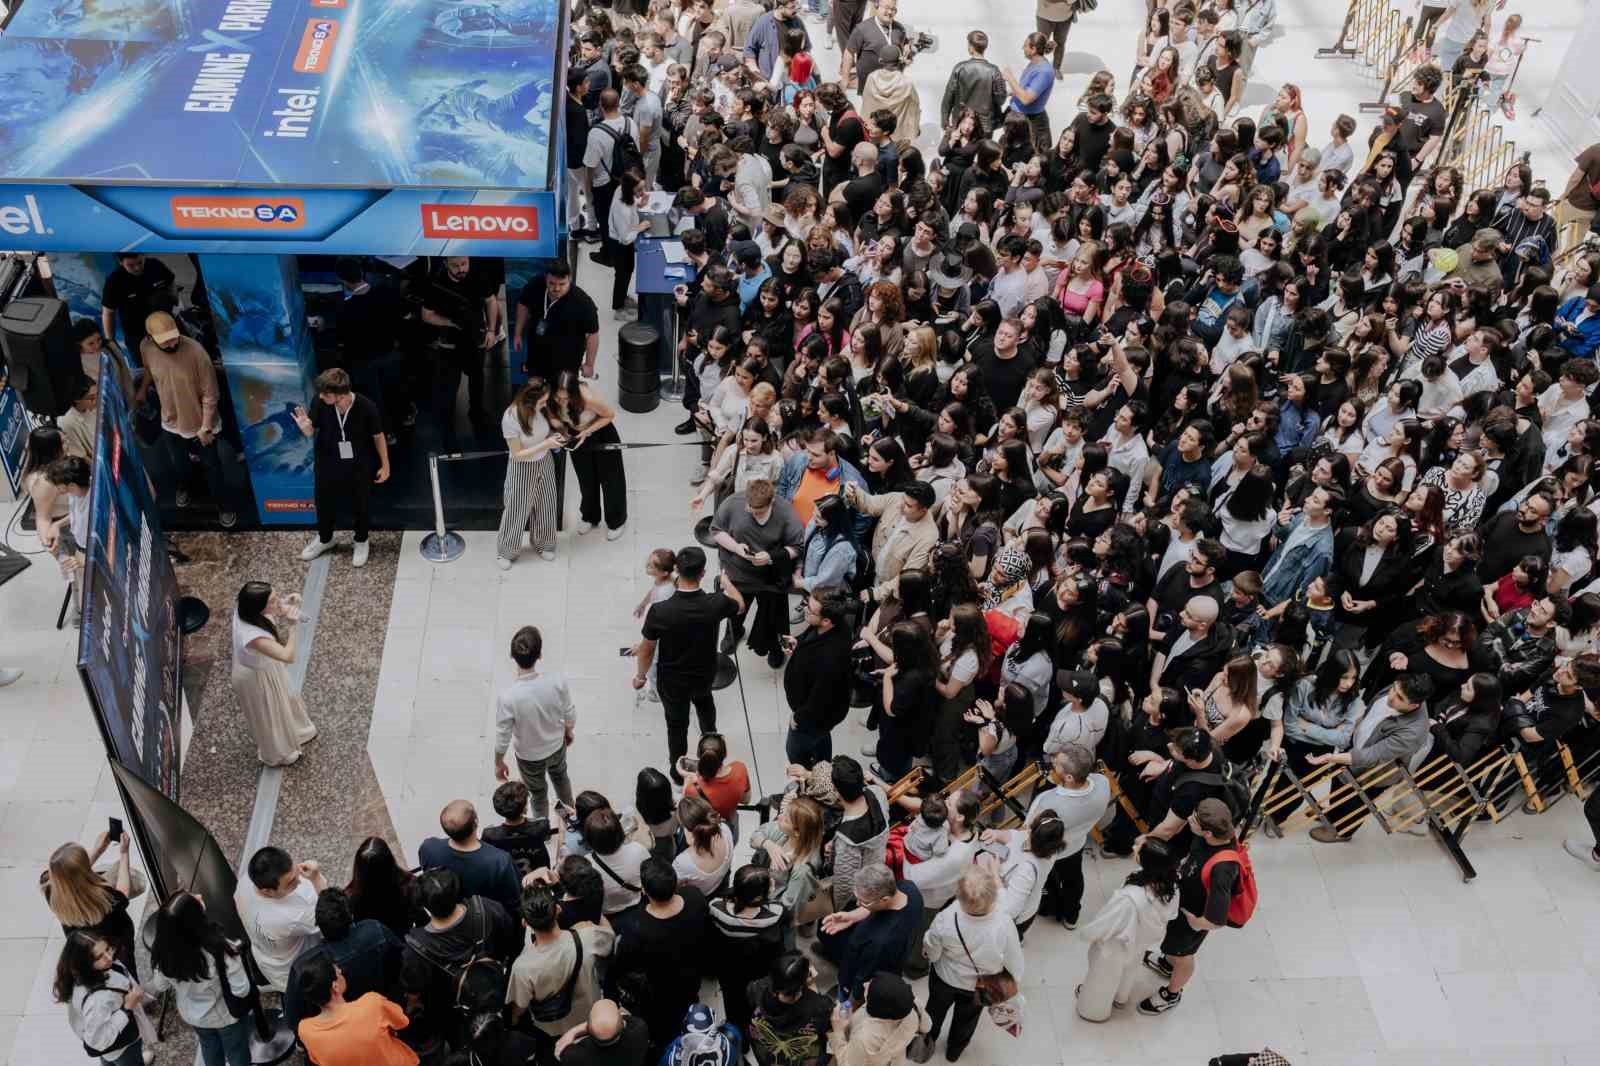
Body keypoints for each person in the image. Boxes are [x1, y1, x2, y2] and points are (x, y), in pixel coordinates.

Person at [636, 547, 747, 783]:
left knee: (676, 726)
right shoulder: (715, 603)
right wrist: (727, 583)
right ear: (703, 573)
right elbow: (740, 604)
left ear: (676, 569)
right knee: (705, 704)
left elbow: (647, 649)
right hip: (703, 675)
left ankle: (678, 773)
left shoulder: (661, 611)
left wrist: (640, 676)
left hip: (672, 681)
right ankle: (711, 743)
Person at [1138, 798, 1250, 1015]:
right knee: (1172, 947)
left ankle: (1172, 993)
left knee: (1183, 954)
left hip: (1193, 918)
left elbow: (1216, 920)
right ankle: (1167, 963)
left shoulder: (1223, 869)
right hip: (1183, 904)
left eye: (1194, 818)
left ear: (1208, 832)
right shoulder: (1208, 838)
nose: (1189, 818)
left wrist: (1195, 922)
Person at [140, 311, 237, 528]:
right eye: (165, 341)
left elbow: (211, 393)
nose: (172, 342)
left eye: (173, 336)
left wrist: (205, 426)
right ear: (150, 337)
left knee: (213, 468)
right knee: (179, 462)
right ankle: (185, 487)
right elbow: (149, 370)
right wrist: (142, 390)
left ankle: (224, 506)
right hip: (170, 421)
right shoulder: (145, 347)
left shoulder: (196, 352)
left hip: (199, 423)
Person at [919, 865, 1023, 1061]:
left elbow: (932, 951)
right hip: (980, 987)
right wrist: (1012, 982)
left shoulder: (945, 918)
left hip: (945, 979)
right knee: (966, 1020)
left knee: (934, 1011)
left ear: (958, 894)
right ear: (993, 895)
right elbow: (1013, 959)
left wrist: (929, 952)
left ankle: (926, 1043)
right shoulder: (1004, 923)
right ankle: (953, 1052)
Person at [292, 368, 389, 568]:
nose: (320, 396)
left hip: (359, 461)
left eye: (326, 394)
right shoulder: (320, 403)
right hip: (327, 459)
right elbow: (312, 430)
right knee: (323, 499)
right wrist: (305, 429)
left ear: (341, 395)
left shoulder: (366, 407)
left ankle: (361, 540)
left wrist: (385, 464)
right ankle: (325, 538)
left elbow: (378, 436)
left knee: (361, 501)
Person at [1075, 838, 1180, 1022]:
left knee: (1103, 975)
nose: (1134, 847)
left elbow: (1106, 923)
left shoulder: (1130, 898)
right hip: (1142, 939)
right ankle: (1121, 997)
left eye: (1139, 849)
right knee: (1130, 967)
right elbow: (1171, 915)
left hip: (1117, 943)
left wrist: (1090, 935)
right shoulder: (1172, 886)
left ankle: (1094, 1010)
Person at [146, 891, 254, 1066]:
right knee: (237, 1051)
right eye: (194, 900)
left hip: (192, 1014)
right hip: (224, 1016)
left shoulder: (162, 952)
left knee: (209, 1047)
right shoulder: (220, 948)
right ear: (194, 921)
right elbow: (241, 990)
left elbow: (160, 985)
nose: (199, 895)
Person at [281, 887, 403, 1036]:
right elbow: (400, 961)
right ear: (350, 916)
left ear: (318, 925)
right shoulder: (375, 930)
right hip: (381, 1011)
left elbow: (294, 1018)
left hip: (338, 1031)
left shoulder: (305, 966)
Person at [507, 884, 614, 1043]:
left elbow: (518, 1008)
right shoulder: (588, 938)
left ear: (524, 923)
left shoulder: (522, 967)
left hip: (552, 1028)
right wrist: (589, 925)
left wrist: (512, 1021)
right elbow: (610, 937)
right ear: (558, 910)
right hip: (589, 1017)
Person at [494, 625, 577, 820]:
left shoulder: (508, 697)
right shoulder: (557, 681)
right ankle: (570, 818)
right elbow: (569, 712)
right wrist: (568, 730)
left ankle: (543, 829)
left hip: (529, 757)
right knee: (561, 778)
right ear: (539, 655)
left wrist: (499, 762)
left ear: (512, 656)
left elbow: (502, 737)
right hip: (557, 746)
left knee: (538, 794)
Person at [231, 580, 318, 767]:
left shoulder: (245, 608)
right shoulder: (254, 637)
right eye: (273, 600)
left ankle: (295, 731)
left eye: (276, 595)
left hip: (263, 665)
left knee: (282, 702)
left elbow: (268, 611)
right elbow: (288, 656)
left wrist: (284, 603)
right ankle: (278, 752)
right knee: (269, 713)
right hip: (254, 677)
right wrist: (293, 626)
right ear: (259, 607)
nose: (277, 601)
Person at [1030, 744, 1112, 930]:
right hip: (1076, 844)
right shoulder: (1102, 782)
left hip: (1050, 849)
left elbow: (1029, 830)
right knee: (1073, 880)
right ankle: (1071, 915)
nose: (1052, 763)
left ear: (1068, 777)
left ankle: (1048, 907)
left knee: (1046, 881)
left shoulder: (1048, 802)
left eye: (1056, 764)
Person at [817, 863, 925, 1004]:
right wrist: (852, 916)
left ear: (884, 899)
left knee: (849, 996)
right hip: (889, 960)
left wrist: (854, 996)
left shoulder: (881, 941)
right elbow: (869, 908)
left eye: (864, 901)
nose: (857, 904)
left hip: (862, 970)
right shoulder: (909, 889)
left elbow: (863, 976)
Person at [419, 256, 498, 446]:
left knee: (477, 378)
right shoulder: (435, 284)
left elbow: (491, 300)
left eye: (464, 264)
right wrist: (450, 323)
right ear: (446, 263)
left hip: (475, 337)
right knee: (449, 384)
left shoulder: (478, 276)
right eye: (456, 265)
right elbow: (426, 315)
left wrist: (491, 330)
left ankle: (477, 412)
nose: (461, 268)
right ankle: (447, 426)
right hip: (450, 343)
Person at [294, 953, 419, 1066]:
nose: (341, 971)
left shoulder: (305, 1030)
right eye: (338, 973)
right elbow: (402, 1022)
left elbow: (318, 1060)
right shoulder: (372, 1004)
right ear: (335, 987)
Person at [39, 835, 137, 976]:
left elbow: (70, 875)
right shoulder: (101, 897)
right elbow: (123, 893)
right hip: (115, 947)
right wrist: (124, 853)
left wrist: (98, 850)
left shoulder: (51, 892)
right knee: (127, 974)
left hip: (89, 954)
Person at [547, 370, 628, 538]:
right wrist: (562, 431)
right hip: (575, 434)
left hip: (600, 433)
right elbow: (553, 416)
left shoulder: (588, 398)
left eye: (565, 398)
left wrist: (587, 432)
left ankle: (616, 521)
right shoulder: (552, 399)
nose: (561, 401)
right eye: (558, 397)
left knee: (611, 479)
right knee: (585, 479)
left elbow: (609, 415)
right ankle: (590, 516)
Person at [235, 845, 326, 993]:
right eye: (291, 883)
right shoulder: (292, 916)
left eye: (295, 871)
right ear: (267, 891)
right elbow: (328, 912)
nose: (300, 881)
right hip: (297, 967)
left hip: (268, 960)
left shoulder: (245, 883)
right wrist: (316, 878)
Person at [782, 590, 856, 765]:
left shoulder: (831, 659)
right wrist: (798, 642)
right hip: (820, 715)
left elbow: (819, 701)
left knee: (795, 752)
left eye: (810, 609)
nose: (805, 609)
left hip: (812, 716)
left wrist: (797, 719)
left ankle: (811, 780)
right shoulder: (830, 625)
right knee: (821, 738)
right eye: (807, 603)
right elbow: (812, 636)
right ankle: (824, 761)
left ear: (826, 621)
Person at [55, 931, 150, 1066]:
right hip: (121, 1047)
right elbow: (98, 1040)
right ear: (84, 963)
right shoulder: (97, 1000)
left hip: (112, 1049)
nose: (109, 957)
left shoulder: (79, 975)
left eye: (107, 949)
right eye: (99, 957)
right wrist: (127, 1008)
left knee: (108, 1062)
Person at [497, 378, 563, 568]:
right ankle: (506, 551)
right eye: (542, 401)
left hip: (545, 461)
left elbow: (543, 433)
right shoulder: (510, 417)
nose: (545, 404)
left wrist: (553, 438)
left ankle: (544, 544)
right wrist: (546, 444)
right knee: (516, 508)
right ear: (529, 400)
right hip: (522, 467)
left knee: (547, 503)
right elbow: (517, 454)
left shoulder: (541, 410)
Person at [416, 801, 521, 916]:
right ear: (476, 822)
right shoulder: (499, 861)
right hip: (488, 920)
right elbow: (513, 903)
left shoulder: (429, 848)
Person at [515, 261, 602, 381]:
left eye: (562, 284)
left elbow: (593, 334)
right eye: (552, 283)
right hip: (537, 354)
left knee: (562, 397)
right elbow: (523, 304)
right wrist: (518, 333)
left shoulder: (583, 303)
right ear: (546, 277)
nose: (556, 288)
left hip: (566, 361)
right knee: (535, 392)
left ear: (569, 279)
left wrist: (589, 364)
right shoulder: (535, 285)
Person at [745, 953, 834, 1066]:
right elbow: (828, 1030)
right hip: (800, 1058)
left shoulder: (755, 988)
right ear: (803, 983)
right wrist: (813, 988)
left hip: (766, 1055)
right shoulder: (820, 1006)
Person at [827, 972, 928, 1066]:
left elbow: (846, 1063)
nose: (864, 984)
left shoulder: (864, 1039)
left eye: (870, 988)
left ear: (878, 1009)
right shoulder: (910, 1004)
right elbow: (927, 1026)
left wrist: (838, 1030)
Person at [101, 252, 175, 361]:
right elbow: (108, 313)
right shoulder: (114, 281)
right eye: (130, 265)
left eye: (140, 262)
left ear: (144, 255)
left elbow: (171, 282)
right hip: (137, 336)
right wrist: (110, 342)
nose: (137, 268)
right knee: (146, 368)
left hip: (165, 327)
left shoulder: (155, 265)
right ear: (120, 262)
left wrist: (175, 301)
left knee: (174, 360)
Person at [552, 1000, 651, 1066]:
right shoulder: (639, 1029)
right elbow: (626, 1017)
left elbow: (559, 1051)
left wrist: (573, 1031)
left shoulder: (576, 1055)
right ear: (622, 1023)